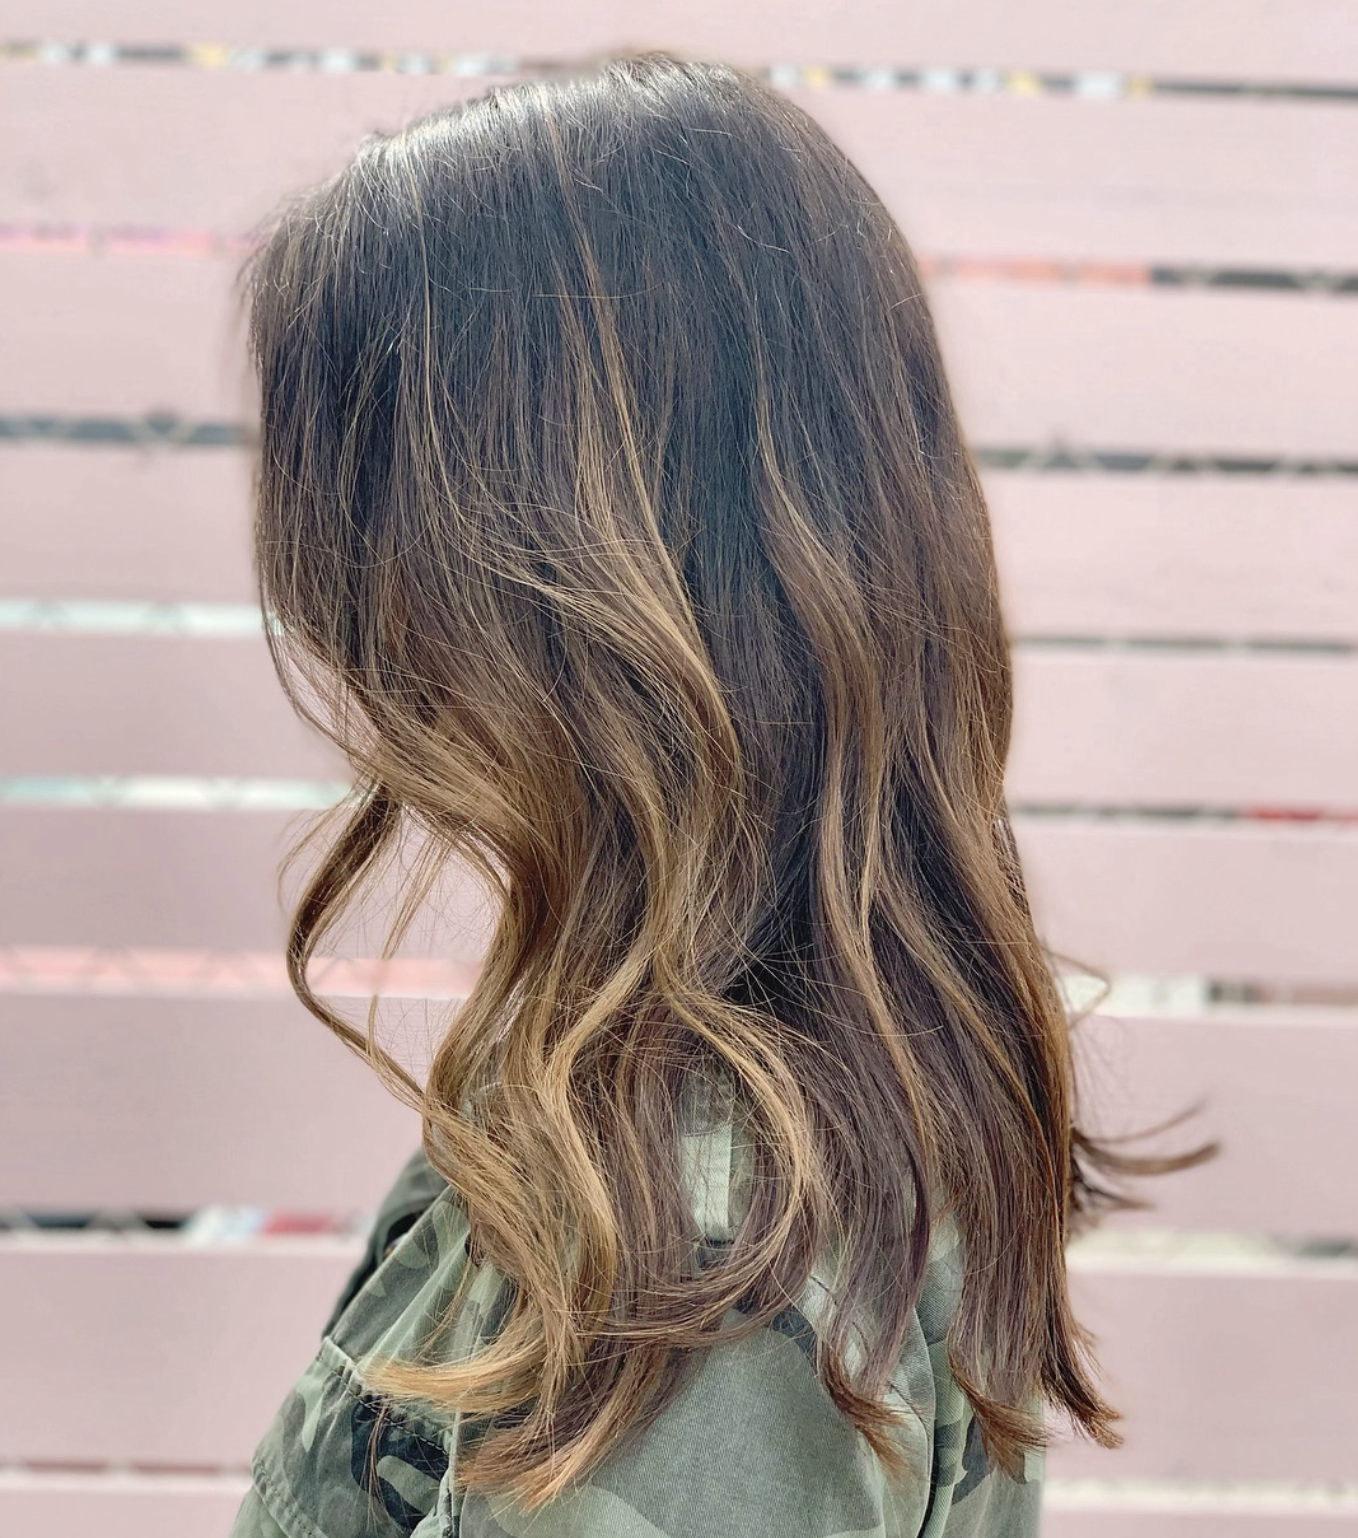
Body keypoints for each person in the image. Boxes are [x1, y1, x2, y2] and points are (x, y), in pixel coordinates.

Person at [227, 51, 1204, 1538]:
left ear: (541, 564)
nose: (331, 606)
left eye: (361, 504)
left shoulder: (697, 1259)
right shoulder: (675, 1133)